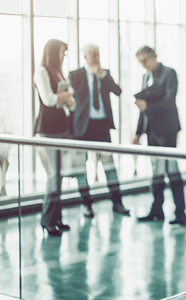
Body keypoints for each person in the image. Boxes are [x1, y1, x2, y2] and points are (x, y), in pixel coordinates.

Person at [69, 44, 130, 217]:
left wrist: (102, 75)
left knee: (109, 165)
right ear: (85, 56)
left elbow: (117, 91)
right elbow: (70, 99)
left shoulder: (105, 74)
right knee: (81, 168)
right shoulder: (75, 75)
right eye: (92, 55)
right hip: (83, 127)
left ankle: (117, 203)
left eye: (98, 54)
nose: (96, 57)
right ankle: (86, 205)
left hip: (102, 126)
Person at [132, 46, 186, 226]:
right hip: (151, 130)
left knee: (171, 169)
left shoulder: (169, 73)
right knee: (156, 170)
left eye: (145, 61)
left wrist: (148, 107)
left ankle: (180, 212)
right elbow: (142, 109)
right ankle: (157, 210)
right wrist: (138, 132)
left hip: (167, 129)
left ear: (154, 57)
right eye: (140, 62)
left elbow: (170, 101)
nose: (143, 65)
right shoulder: (145, 77)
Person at [33, 39, 76, 236]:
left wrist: (69, 98)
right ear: (53, 52)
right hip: (48, 132)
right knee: (53, 177)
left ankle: (56, 219)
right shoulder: (42, 72)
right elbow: (49, 99)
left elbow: (68, 104)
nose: (63, 56)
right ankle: (47, 220)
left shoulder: (59, 73)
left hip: (62, 130)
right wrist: (68, 94)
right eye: (62, 52)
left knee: (60, 177)